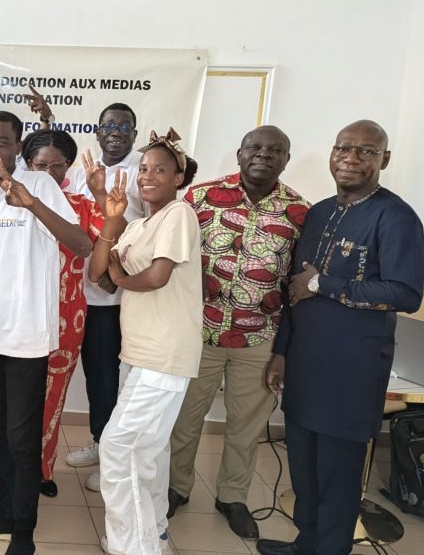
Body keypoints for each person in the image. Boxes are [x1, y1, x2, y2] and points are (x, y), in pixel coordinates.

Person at [255, 120, 424, 555]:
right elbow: (295, 288)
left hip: (351, 372)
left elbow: (405, 293)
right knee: (304, 467)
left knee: (337, 474)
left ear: (384, 159)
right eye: (343, 148)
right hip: (306, 365)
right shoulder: (320, 213)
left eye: (366, 151)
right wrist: (282, 352)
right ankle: (306, 544)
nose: (351, 158)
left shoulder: (396, 217)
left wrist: (324, 284)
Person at [166, 126, 309, 539]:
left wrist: (283, 350)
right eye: (255, 147)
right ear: (239, 153)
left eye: (276, 149)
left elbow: (296, 286)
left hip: (259, 338)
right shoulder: (199, 198)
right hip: (199, 332)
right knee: (184, 419)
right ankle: (175, 487)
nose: (264, 154)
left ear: (286, 159)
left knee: (245, 426)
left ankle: (232, 497)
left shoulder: (301, 212)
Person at [0, 111, 92, 555]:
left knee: (22, 436)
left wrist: (31, 203)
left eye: (2, 142)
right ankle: (5, 514)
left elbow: (81, 244)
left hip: (27, 336)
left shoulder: (40, 185)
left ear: (18, 148)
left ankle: (23, 533)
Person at [89, 128, 202, 555]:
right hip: (137, 352)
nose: (148, 176)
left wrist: (119, 276)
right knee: (147, 453)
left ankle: (133, 547)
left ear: (178, 178)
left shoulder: (179, 214)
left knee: (120, 448)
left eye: (160, 170)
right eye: (143, 169)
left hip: (164, 352)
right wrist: (110, 220)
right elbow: (97, 275)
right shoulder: (138, 225)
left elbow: (155, 277)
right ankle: (151, 536)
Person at [0, 130, 105, 500]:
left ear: (68, 167)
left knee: (49, 401)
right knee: (2, 407)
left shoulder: (79, 205)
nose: (49, 173)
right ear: (27, 164)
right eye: (40, 165)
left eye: (57, 166)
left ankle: (40, 471)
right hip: (15, 316)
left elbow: (101, 244)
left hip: (66, 315)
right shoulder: (3, 198)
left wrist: (100, 198)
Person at [63, 103, 146, 492]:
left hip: (111, 300)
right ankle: (99, 441)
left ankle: (111, 453)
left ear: (134, 134)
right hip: (73, 293)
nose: (115, 133)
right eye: (108, 126)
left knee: (107, 378)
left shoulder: (143, 172)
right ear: (96, 132)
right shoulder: (81, 171)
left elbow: (138, 236)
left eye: (124, 127)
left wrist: (101, 199)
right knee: (90, 378)